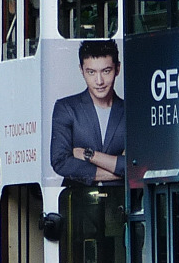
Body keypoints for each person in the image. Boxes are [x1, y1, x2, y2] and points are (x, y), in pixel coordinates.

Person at [50, 39, 126, 184]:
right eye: (91, 72)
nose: (99, 81)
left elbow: (136, 165)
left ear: (117, 69)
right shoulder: (66, 108)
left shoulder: (131, 112)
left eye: (106, 71)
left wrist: (88, 155)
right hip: (79, 202)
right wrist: (119, 171)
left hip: (122, 202)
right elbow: (61, 162)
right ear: (81, 70)